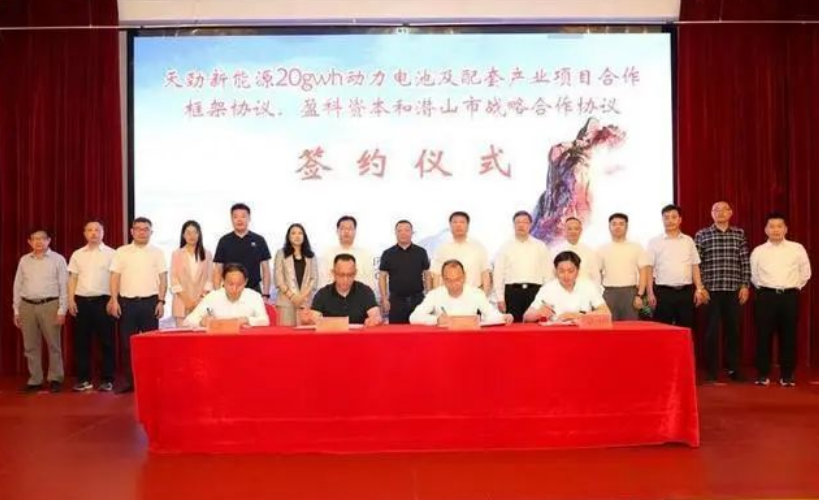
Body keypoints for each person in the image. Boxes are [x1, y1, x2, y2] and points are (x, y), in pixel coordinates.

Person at [750, 212, 811, 387]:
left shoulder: (797, 248)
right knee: (763, 336)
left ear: (785, 229)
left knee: (789, 336)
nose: (775, 230)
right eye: (772, 226)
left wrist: (794, 287)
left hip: (789, 297)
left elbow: (805, 272)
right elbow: (753, 275)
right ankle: (762, 374)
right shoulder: (758, 251)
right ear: (765, 230)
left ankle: (787, 375)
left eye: (779, 226)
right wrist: (765, 289)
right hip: (766, 296)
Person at [108, 217, 168, 394]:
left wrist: (161, 301)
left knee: (152, 345)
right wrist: (114, 300)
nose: (142, 232)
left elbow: (163, 278)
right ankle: (130, 382)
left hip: (150, 303)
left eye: (146, 229)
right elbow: (115, 277)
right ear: (132, 231)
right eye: (138, 229)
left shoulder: (157, 252)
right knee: (128, 346)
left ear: (151, 232)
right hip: (127, 303)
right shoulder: (121, 252)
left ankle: (151, 381)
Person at [694, 201, 751, 383]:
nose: (720, 213)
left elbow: (744, 261)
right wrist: (700, 288)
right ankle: (711, 371)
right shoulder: (702, 234)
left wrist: (745, 285)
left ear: (731, 212)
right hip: (710, 291)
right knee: (711, 332)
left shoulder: (739, 234)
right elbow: (696, 264)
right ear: (711, 213)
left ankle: (734, 368)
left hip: (733, 290)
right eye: (716, 210)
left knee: (733, 331)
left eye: (724, 209)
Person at [13, 228, 68, 393]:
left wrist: (62, 310)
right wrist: (16, 310)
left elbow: (64, 285)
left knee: (53, 344)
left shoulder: (58, 259)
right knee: (30, 345)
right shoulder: (24, 260)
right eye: (35, 239)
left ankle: (55, 378)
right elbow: (17, 285)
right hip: (27, 306)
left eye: (42, 238)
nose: (38, 242)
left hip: (50, 305)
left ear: (48, 241)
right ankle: (35, 379)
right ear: (30, 242)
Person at [67, 220, 116, 392]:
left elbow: (115, 279)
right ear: (85, 233)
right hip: (81, 301)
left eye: (97, 230)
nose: (93, 233)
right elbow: (73, 278)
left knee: (106, 342)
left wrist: (113, 299)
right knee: (81, 342)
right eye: (90, 230)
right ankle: (84, 379)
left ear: (103, 233)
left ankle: (107, 379)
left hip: (104, 301)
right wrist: (71, 300)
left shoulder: (112, 254)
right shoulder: (77, 254)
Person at [645, 204, 707, 327]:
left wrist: (699, 289)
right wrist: (650, 293)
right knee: (663, 330)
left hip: (685, 293)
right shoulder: (654, 242)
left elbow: (694, 266)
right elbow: (649, 269)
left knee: (685, 328)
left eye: (673, 217)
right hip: (663, 293)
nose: (670, 220)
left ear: (680, 220)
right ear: (662, 220)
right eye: (666, 217)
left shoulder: (688, 240)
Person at [410, 259, 512, 326]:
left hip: (470, 339)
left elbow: (490, 314)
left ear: (464, 277)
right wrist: (436, 320)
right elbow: (414, 317)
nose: (454, 284)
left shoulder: (476, 293)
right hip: (443, 341)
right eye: (449, 280)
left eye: (457, 279)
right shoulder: (435, 294)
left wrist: (503, 317)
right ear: (443, 279)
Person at [493, 210, 553, 322]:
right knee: (513, 327)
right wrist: (500, 298)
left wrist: (546, 297)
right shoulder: (505, 247)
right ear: (513, 225)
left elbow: (548, 273)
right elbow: (498, 274)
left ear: (530, 225)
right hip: (512, 294)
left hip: (535, 293)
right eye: (518, 222)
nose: (521, 225)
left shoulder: (540, 246)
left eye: (525, 222)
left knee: (535, 327)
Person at [523, 251, 610, 322]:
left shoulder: (588, 286)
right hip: (555, 333)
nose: (566, 275)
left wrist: (576, 315)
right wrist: (538, 314)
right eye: (561, 271)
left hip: (582, 333)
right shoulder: (547, 289)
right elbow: (526, 317)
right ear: (555, 271)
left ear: (578, 271)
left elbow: (606, 313)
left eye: (570, 271)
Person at [300, 254, 382, 327]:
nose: (345, 279)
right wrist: (308, 320)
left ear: (355, 273)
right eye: (341, 275)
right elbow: (314, 318)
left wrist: (374, 320)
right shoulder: (322, 294)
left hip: (359, 338)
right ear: (333, 273)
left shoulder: (365, 291)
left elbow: (375, 315)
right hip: (331, 338)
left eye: (350, 275)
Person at [213, 203, 272, 298]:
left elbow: (266, 269)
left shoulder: (259, 240)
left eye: (243, 216)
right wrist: (216, 294)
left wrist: (266, 294)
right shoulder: (224, 241)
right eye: (235, 217)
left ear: (249, 218)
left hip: (253, 290)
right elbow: (218, 270)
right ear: (231, 219)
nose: (239, 220)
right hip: (229, 291)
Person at [597, 213, 649, 321]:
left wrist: (639, 295)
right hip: (609, 293)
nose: (617, 227)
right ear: (609, 227)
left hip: (630, 293)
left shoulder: (636, 247)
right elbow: (597, 272)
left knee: (630, 327)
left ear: (627, 226)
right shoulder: (602, 249)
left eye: (621, 224)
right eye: (614, 224)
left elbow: (643, 271)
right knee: (609, 326)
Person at [184, 263, 270, 328]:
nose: (234, 289)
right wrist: (201, 322)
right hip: (218, 342)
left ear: (245, 282)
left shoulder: (254, 296)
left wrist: (247, 320)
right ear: (223, 281)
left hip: (246, 342)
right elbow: (187, 321)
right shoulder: (213, 296)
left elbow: (265, 321)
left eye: (239, 285)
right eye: (230, 284)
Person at [378, 219, 431, 324]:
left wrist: (429, 296)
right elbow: (382, 276)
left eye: (407, 230)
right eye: (400, 230)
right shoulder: (388, 253)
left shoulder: (421, 252)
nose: (403, 233)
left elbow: (427, 274)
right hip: (396, 301)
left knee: (419, 331)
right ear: (395, 233)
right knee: (396, 332)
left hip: (418, 300)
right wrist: (384, 298)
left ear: (412, 232)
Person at [430, 211, 491, 294]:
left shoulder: (478, 246)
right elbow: (436, 274)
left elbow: (485, 273)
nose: (458, 225)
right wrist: (437, 297)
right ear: (450, 225)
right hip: (449, 295)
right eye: (455, 222)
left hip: (474, 294)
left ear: (468, 226)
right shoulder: (442, 248)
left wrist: (484, 296)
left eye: (462, 222)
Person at [274, 223, 318, 326]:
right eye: (293, 233)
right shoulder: (281, 253)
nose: (297, 236)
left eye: (300, 233)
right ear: (288, 237)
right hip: (286, 302)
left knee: (304, 334)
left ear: (304, 236)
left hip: (305, 301)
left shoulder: (311, 255)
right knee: (286, 334)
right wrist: (292, 297)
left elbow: (314, 279)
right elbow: (279, 279)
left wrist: (301, 297)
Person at [170, 220, 213, 327]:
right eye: (188, 233)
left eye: (195, 232)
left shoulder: (207, 254)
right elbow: (174, 280)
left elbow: (209, 280)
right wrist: (187, 301)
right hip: (181, 303)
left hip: (201, 303)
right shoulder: (177, 254)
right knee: (182, 336)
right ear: (183, 235)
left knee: (201, 336)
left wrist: (199, 300)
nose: (192, 236)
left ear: (199, 234)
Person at [319, 215, 375, 289]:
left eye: (350, 228)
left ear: (355, 231)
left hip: (359, 294)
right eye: (343, 228)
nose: (346, 231)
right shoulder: (328, 253)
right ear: (337, 231)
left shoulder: (364, 254)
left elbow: (370, 281)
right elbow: (323, 280)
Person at [551, 217, 601, 287]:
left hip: (585, 290)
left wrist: (595, 291)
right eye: (569, 229)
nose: (573, 231)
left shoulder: (589, 251)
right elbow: (551, 276)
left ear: (581, 231)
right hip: (561, 291)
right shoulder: (555, 251)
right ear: (564, 230)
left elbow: (596, 277)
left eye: (576, 229)